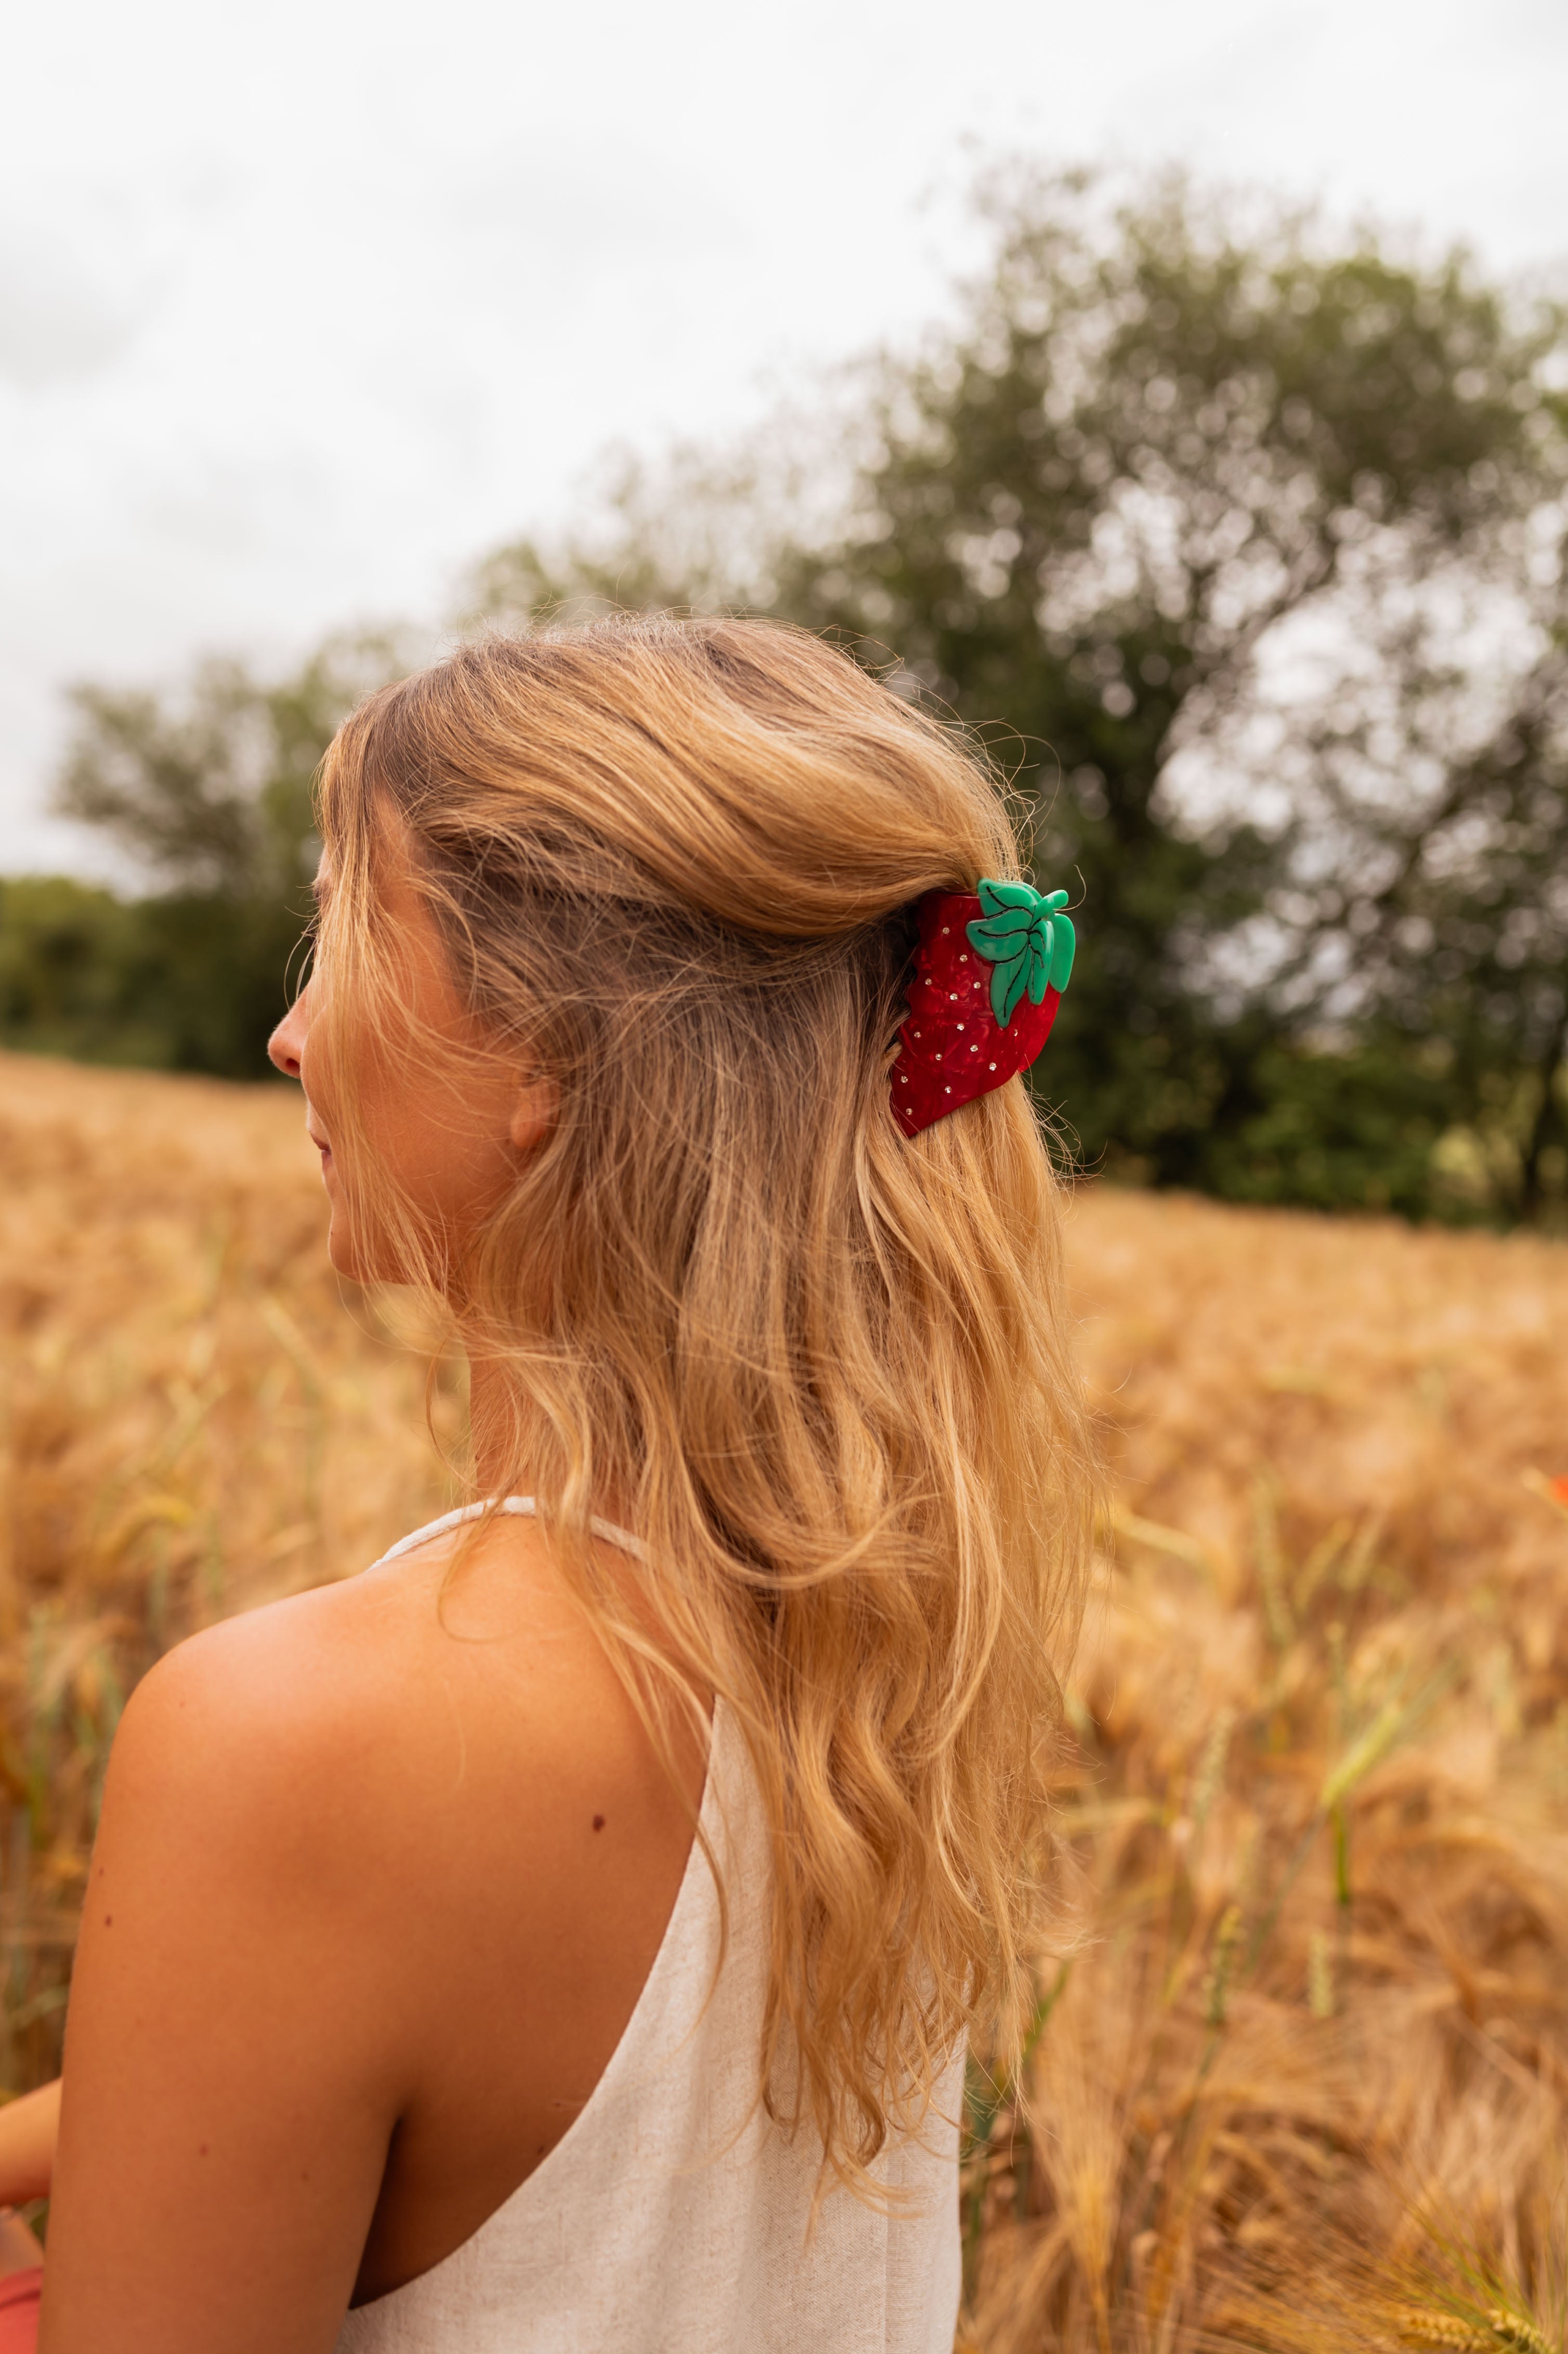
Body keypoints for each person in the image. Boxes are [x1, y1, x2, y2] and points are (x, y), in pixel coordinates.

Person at [0, 617, 1093, 2352]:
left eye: (348, 935)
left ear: (550, 1059)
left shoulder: (295, 1745)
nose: (293, 1036)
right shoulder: (865, 1660)